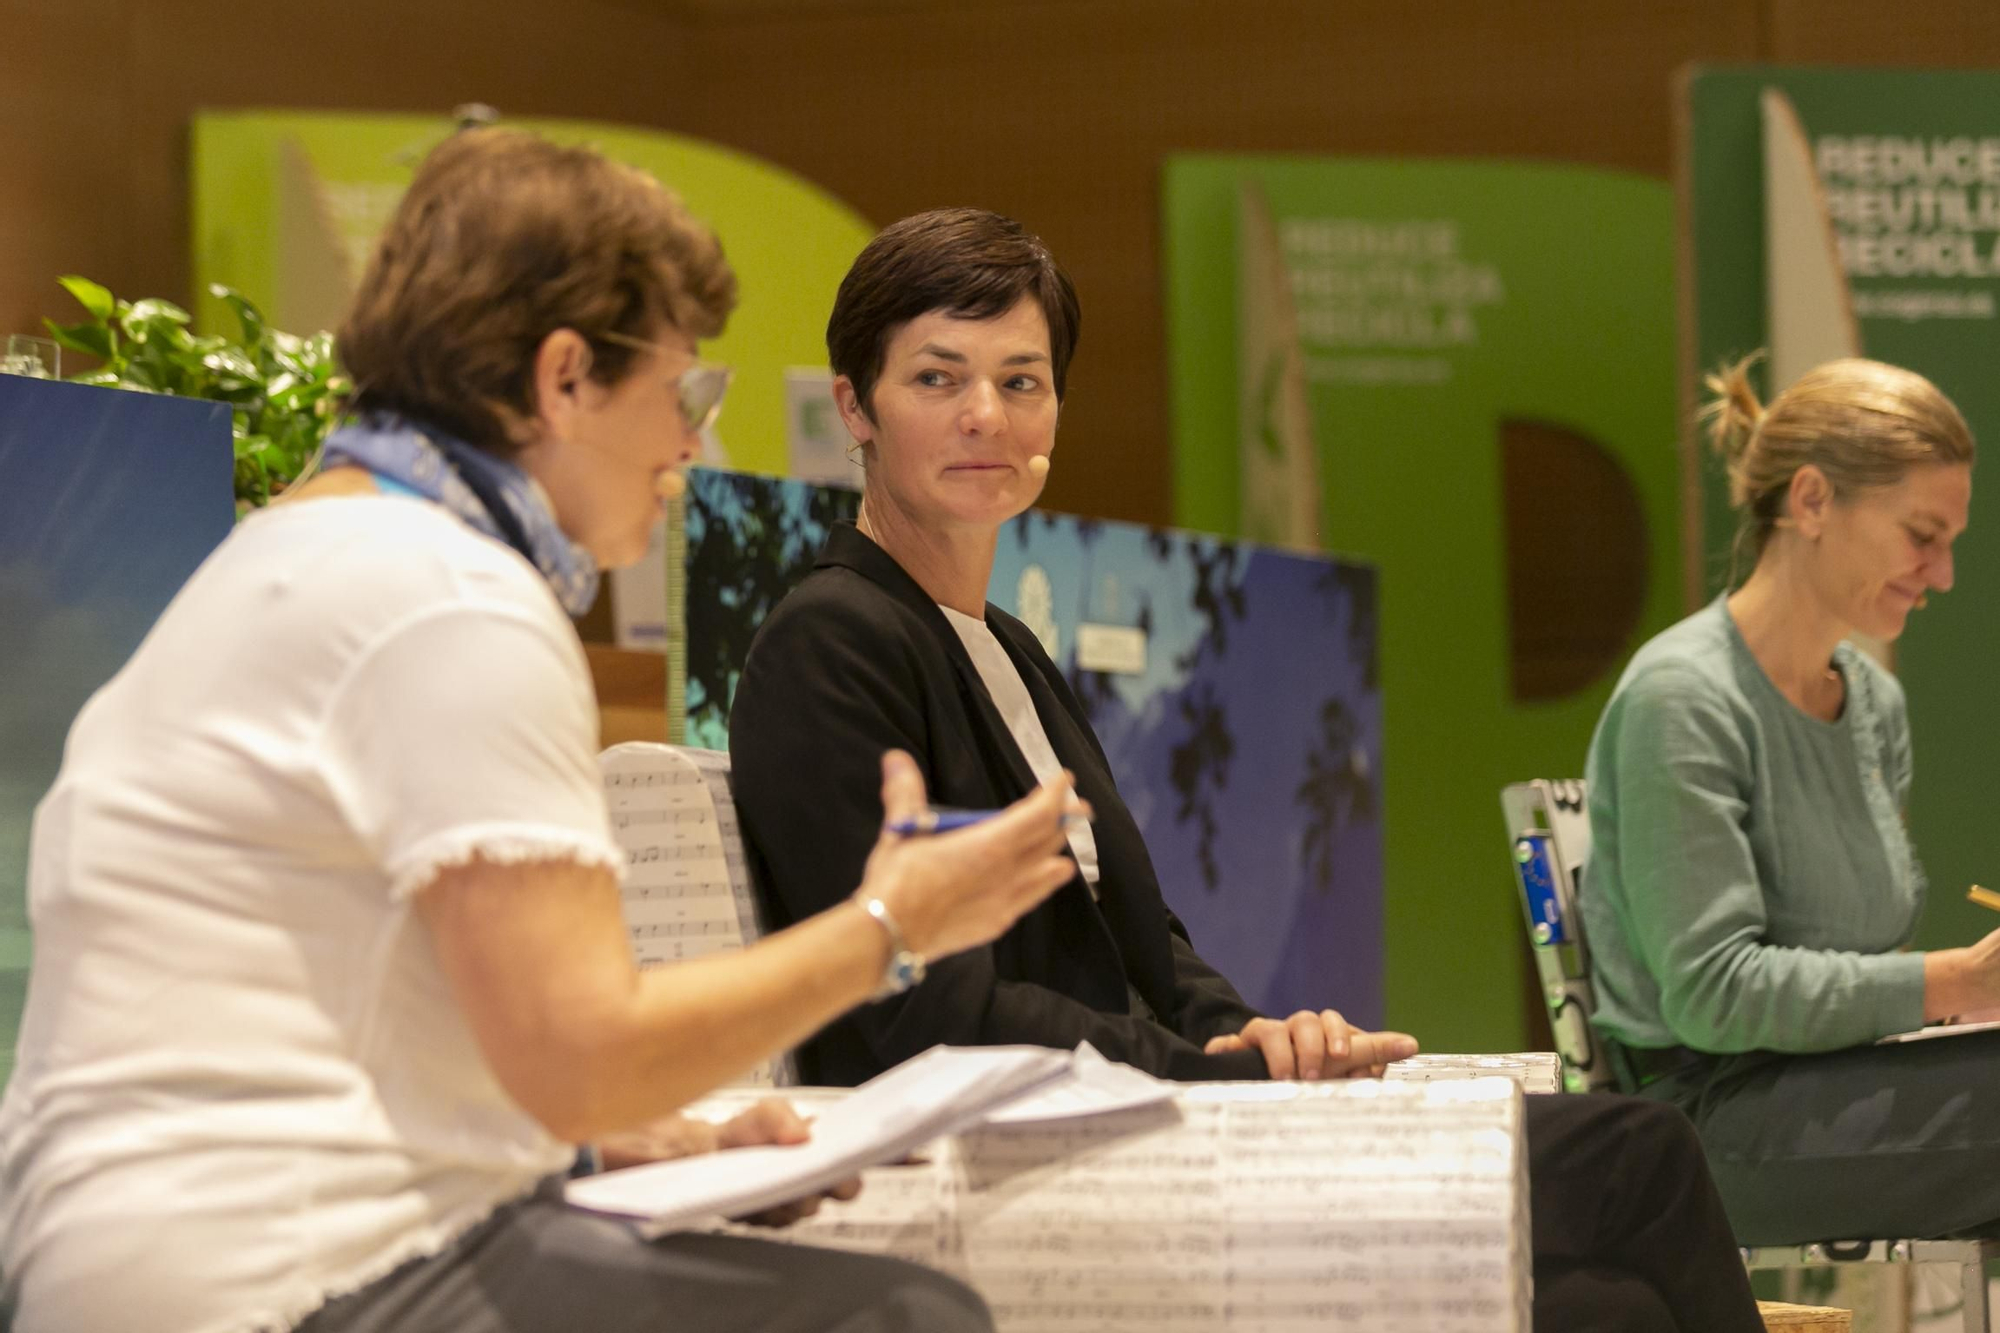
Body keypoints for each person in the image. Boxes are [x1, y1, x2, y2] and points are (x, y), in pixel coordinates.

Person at [0, 131, 1084, 1333]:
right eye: (681, 391)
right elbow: (582, 1055)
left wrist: (632, 1145)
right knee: (904, 1318)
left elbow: (374, 1021)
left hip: (148, 1258)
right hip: (270, 1280)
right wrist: (891, 925)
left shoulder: (311, 548)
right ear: (566, 377)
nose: (687, 442)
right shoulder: (449, 598)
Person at [728, 206, 1764, 1332]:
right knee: (1636, 1151)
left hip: (1143, 1109)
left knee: (1601, 1303)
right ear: (853, 407)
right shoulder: (834, 636)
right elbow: (918, 1008)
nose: (986, 414)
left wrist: (1257, 1034)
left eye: (1021, 381)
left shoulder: (1006, 646)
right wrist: (1215, 1075)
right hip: (1013, 1145)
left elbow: (1138, 941)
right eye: (938, 378)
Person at [1582, 354, 2000, 1245]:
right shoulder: (1683, 699)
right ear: (1811, 501)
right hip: (1706, 1129)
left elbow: (1852, 967)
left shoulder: (1873, 703)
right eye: (1923, 534)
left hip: (1835, 1083)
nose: (1944, 572)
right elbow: (1713, 994)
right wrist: (1958, 981)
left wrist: (1967, 996)